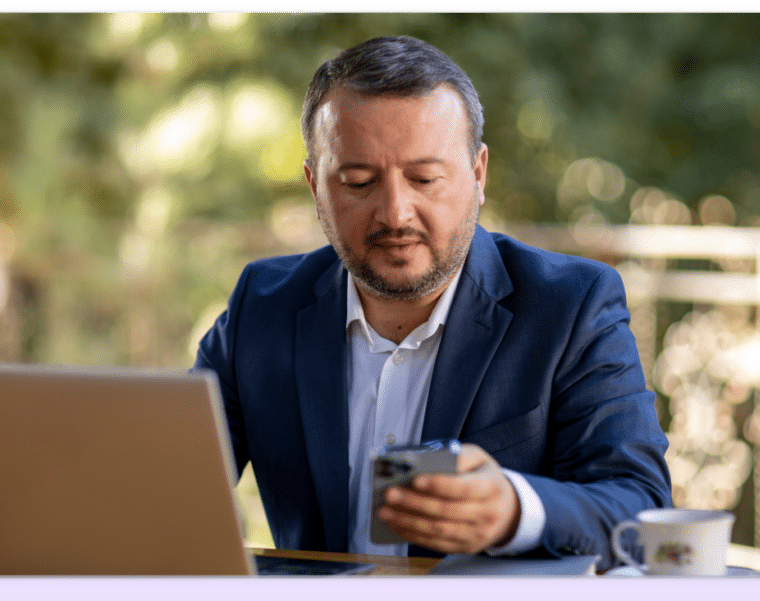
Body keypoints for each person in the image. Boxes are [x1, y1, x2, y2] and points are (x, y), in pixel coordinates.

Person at [194, 36, 671, 570]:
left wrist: (516, 509)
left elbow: (641, 508)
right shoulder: (262, 308)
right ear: (314, 186)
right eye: (358, 182)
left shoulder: (571, 305)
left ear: (478, 175)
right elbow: (172, 487)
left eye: (424, 179)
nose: (395, 213)